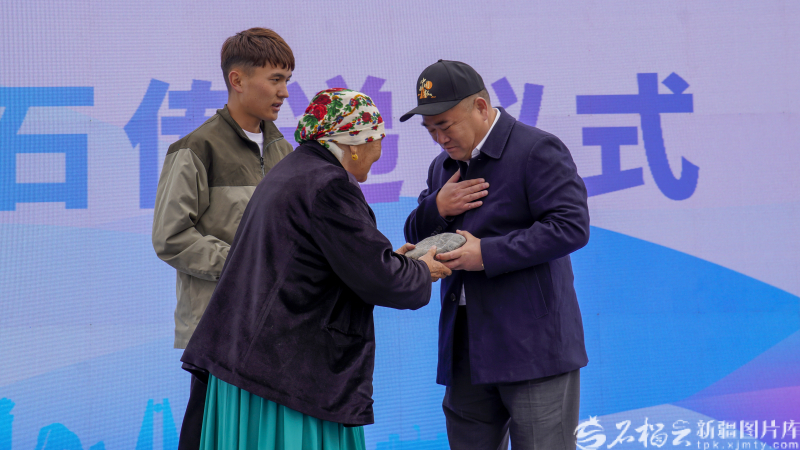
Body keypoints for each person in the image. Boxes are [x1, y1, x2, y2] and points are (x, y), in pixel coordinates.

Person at [180, 89, 451, 449]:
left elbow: (342, 260)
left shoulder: (290, 171)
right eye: (379, 140)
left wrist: (396, 263)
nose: (380, 152)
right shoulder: (331, 185)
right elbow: (379, 278)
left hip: (244, 361)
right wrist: (420, 270)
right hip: (283, 376)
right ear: (356, 144)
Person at [402, 60, 591, 450]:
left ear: (481, 107)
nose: (440, 138)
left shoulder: (536, 149)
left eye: (446, 125)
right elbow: (417, 237)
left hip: (533, 346)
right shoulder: (442, 167)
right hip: (465, 347)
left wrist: (486, 254)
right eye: (431, 130)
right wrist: (437, 206)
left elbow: (571, 226)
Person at [151, 28, 295, 449]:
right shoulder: (195, 148)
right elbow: (170, 236)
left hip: (275, 324)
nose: (285, 92)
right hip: (217, 325)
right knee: (209, 433)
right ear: (237, 80)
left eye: (287, 79)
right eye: (275, 79)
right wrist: (242, 265)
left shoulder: (286, 151)